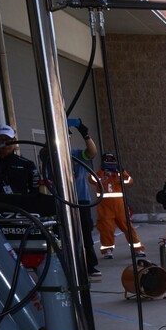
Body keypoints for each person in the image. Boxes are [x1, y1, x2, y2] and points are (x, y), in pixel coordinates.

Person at [92, 152, 145, 259]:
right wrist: (102, 171)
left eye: (111, 161)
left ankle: (137, 249)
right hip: (105, 209)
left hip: (120, 208)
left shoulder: (119, 174)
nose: (109, 163)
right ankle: (107, 250)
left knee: (128, 228)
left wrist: (122, 170)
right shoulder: (99, 174)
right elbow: (92, 180)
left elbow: (129, 180)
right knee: (106, 230)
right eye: (107, 161)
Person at [67, 119, 100, 279]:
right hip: (62, 201)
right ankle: (69, 266)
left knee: (86, 233)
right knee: (65, 234)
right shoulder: (49, 154)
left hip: (81, 200)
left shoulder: (77, 155)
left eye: (68, 136)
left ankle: (90, 266)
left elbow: (92, 152)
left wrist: (85, 134)